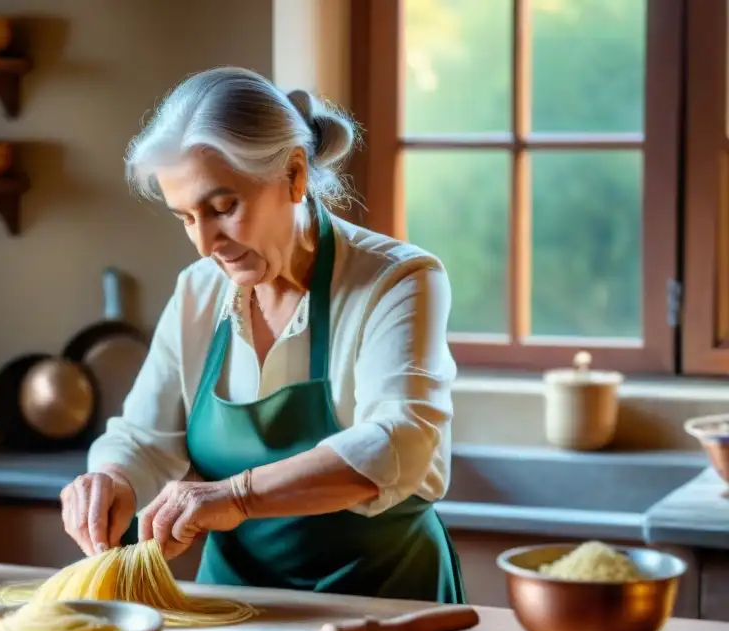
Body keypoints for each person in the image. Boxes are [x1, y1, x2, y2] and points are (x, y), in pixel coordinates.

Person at [60, 66, 465, 602]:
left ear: (294, 175)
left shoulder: (398, 280)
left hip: (387, 603)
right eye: (185, 217)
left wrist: (238, 495)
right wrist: (109, 479)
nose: (206, 243)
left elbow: (398, 441)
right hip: (241, 605)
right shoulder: (198, 292)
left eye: (223, 207)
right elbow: (143, 440)